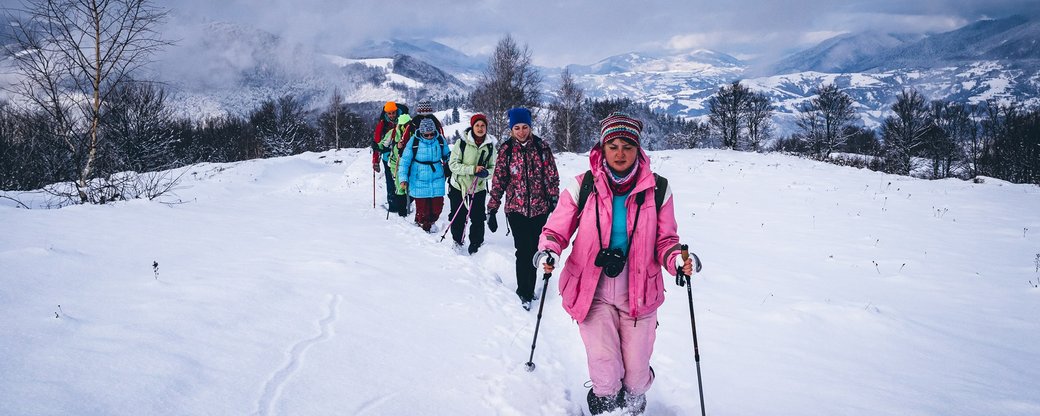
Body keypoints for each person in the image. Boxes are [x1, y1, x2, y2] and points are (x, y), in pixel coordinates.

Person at [534, 112, 695, 415]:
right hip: (591, 290)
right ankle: (605, 405)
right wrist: (550, 250)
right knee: (606, 370)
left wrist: (677, 261)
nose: (620, 153)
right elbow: (556, 229)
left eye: (628, 146)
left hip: (639, 292)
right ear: (603, 148)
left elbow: (666, 240)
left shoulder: (658, 189)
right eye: (613, 146)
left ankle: (633, 402)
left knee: (635, 375)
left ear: (638, 150)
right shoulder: (582, 186)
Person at [487, 107, 559, 310]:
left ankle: (530, 286)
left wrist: (554, 200)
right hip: (516, 210)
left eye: (524, 127)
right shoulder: (506, 150)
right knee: (522, 250)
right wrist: (492, 208)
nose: (521, 131)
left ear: (530, 126)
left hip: (539, 208)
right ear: (511, 129)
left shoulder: (541, 147)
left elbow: (551, 176)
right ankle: (524, 292)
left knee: (535, 250)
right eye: (517, 128)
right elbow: (499, 180)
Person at [446, 113, 496, 254]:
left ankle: (476, 245)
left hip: (478, 188)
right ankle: (457, 241)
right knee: (458, 216)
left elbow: (494, 168)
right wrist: (472, 169)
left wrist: (486, 173)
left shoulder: (490, 147)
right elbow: (453, 165)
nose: (480, 128)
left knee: (478, 218)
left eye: (483, 126)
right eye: (477, 125)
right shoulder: (461, 143)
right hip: (458, 186)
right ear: (472, 127)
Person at [398, 118, 451, 232]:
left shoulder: (440, 140)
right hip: (418, 178)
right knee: (423, 209)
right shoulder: (414, 141)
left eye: (432, 134)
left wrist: (452, 164)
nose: (430, 136)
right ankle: (422, 225)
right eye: (426, 135)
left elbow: (447, 155)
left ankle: (431, 222)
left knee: (437, 207)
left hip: (437, 176)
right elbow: (405, 161)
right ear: (421, 132)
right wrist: (403, 178)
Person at [378, 108, 412, 217]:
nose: (405, 127)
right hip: (396, 164)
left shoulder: (413, 133)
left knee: (408, 187)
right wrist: (377, 146)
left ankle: (405, 208)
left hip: (408, 163)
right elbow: (383, 144)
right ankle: (402, 212)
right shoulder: (393, 133)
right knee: (400, 187)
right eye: (404, 125)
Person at [373, 101, 401, 212]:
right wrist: (375, 161)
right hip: (387, 157)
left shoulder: (403, 121)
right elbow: (377, 143)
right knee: (390, 180)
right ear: (386, 113)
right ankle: (393, 205)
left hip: (401, 156)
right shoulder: (382, 124)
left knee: (401, 180)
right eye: (389, 113)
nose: (392, 115)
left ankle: (402, 202)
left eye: (393, 113)